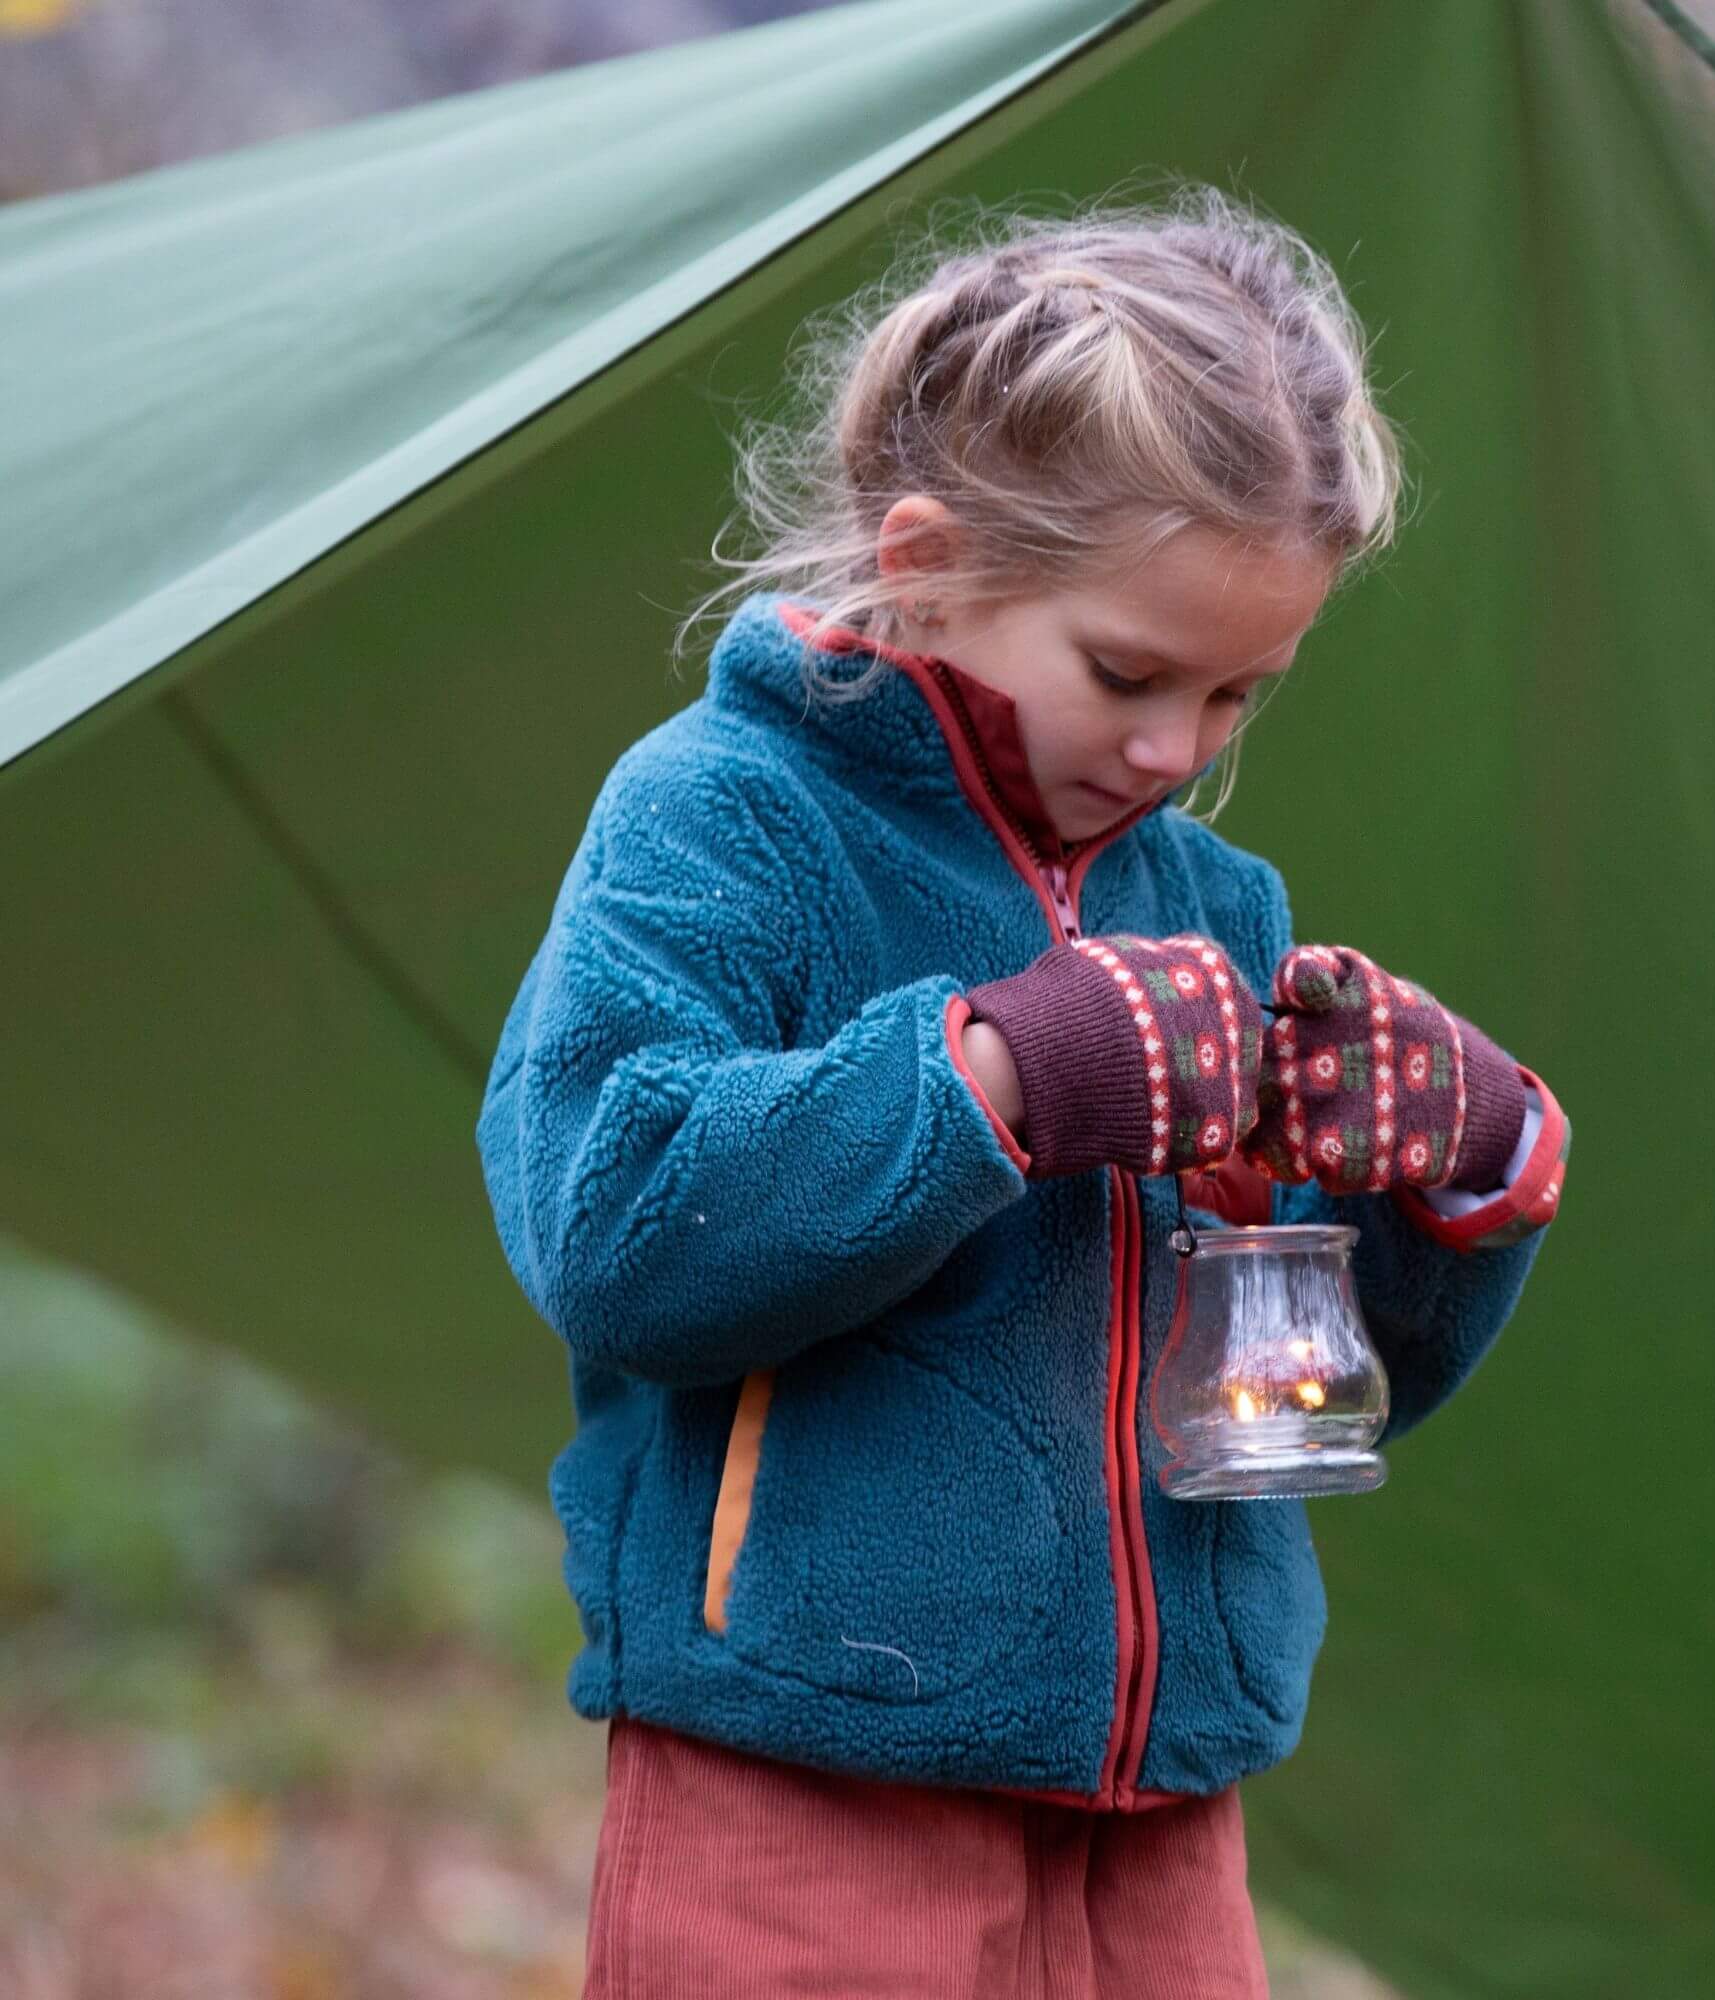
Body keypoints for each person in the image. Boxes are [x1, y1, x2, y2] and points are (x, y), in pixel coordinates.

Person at [475, 185, 1571, 1998]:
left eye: (1238, 696)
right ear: (925, 561)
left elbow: (1309, 1390)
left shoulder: (1214, 908)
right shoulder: (725, 821)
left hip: (1161, 1808)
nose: (1175, 752)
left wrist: (1455, 1177)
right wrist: (987, 1073)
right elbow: (612, 1224)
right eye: (1130, 673)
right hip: (812, 1774)